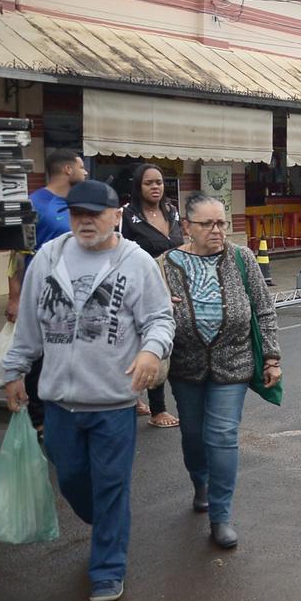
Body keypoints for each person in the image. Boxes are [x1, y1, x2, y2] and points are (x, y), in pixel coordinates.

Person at [1, 180, 174, 601]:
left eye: (94, 214)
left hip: (115, 402)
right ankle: (108, 522)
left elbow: (160, 319)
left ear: (116, 215)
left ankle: (107, 569)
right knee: (72, 478)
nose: (84, 221)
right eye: (77, 213)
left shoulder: (136, 262)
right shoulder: (49, 257)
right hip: (60, 400)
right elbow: (29, 323)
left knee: (112, 485)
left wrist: (152, 352)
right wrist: (14, 371)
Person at [161, 194, 282, 550]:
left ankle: (221, 514)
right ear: (186, 227)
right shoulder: (164, 264)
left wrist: (272, 357)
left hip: (234, 362)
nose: (217, 231)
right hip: (186, 366)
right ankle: (200, 482)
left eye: (222, 223)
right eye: (208, 224)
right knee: (194, 437)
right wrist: (157, 304)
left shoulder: (242, 258)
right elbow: (145, 310)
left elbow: (265, 310)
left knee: (223, 435)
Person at [4, 148, 88, 435]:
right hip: (41, 295)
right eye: (81, 166)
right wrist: (14, 297)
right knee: (40, 357)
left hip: (77, 297)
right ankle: (39, 420)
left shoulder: (79, 204)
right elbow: (17, 254)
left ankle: (72, 408)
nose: (86, 172)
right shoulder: (34, 204)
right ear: (67, 170)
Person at [121, 163, 183, 429]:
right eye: (149, 183)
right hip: (140, 289)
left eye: (159, 182)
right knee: (148, 343)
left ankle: (136, 397)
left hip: (174, 285)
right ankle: (157, 409)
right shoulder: (128, 215)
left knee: (166, 343)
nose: (156, 187)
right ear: (138, 186)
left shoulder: (171, 211)